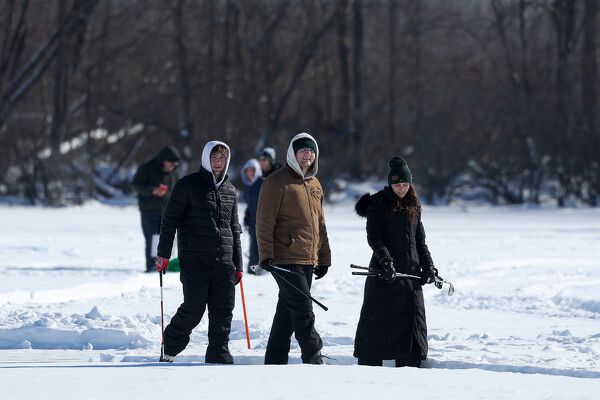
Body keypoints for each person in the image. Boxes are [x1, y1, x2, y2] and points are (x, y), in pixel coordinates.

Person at [155, 141, 243, 364]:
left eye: (222, 158)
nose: (218, 162)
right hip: (195, 260)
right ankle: (170, 344)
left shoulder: (230, 190)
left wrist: (239, 264)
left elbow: (234, 229)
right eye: (214, 158)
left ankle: (218, 353)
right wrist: (164, 254)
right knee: (193, 309)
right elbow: (169, 220)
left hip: (224, 262)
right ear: (206, 159)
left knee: (223, 310)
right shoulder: (187, 185)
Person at [353, 156, 442, 368]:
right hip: (384, 276)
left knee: (410, 328)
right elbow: (375, 238)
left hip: (410, 277)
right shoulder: (378, 203)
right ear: (390, 184)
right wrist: (385, 260)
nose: (401, 189)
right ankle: (370, 376)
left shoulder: (414, 205)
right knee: (378, 328)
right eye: (397, 185)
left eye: (405, 184)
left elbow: (420, 242)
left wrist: (429, 266)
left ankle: (409, 369)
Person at [256, 132, 331, 365]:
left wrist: (324, 257)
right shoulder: (276, 181)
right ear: (292, 153)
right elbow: (264, 221)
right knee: (302, 308)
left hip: (308, 257)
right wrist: (266, 255)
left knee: (287, 313)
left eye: (311, 151)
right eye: (303, 150)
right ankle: (313, 354)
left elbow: (320, 223)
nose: (307, 154)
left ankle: (274, 360)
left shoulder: (315, 183)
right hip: (284, 257)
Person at [130, 146, 181, 273]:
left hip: (167, 212)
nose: (173, 166)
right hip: (149, 211)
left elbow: (178, 188)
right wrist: (152, 190)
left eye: (175, 164)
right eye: (171, 163)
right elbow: (135, 185)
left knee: (167, 239)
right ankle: (152, 267)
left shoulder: (174, 172)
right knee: (152, 239)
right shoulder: (146, 168)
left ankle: (166, 266)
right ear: (163, 160)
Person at [241, 158, 264, 274]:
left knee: (260, 249)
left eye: (252, 170)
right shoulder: (249, 186)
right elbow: (250, 204)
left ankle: (260, 273)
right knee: (253, 248)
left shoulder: (262, 183)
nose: (250, 173)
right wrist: (247, 215)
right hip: (252, 222)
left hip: (263, 222)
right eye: (248, 170)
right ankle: (253, 273)